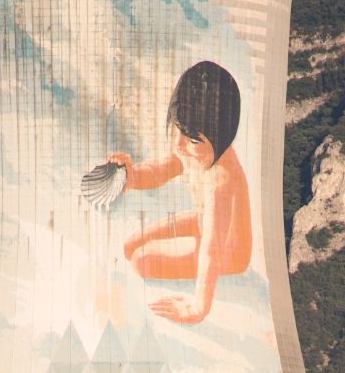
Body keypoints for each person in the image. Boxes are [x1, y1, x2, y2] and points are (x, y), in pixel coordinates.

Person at [108, 60, 252, 325]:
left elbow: (212, 248)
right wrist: (130, 175)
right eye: (177, 128)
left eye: (192, 138)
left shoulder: (222, 178)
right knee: (129, 245)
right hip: (202, 220)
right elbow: (162, 169)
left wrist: (198, 308)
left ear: (221, 138)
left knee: (142, 261)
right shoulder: (192, 150)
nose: (179, 143)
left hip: (227, 250)